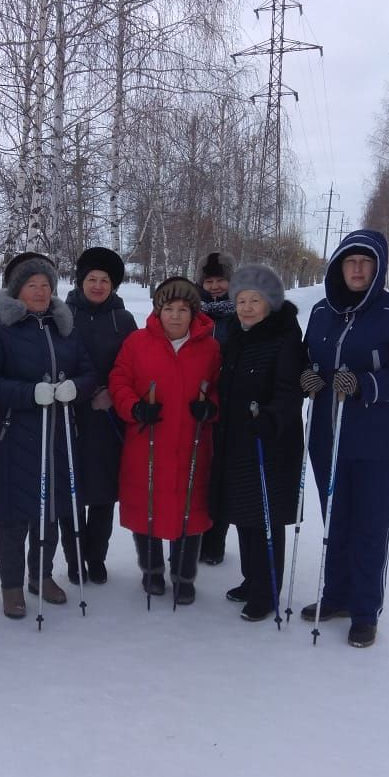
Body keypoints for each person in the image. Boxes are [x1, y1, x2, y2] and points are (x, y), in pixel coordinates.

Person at [299, 229, 389, 647]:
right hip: (327, 436)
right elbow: (306, 359)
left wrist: (365, 384)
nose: (356, 269)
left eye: (365, 262)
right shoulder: (322, 311)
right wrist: (305, 377)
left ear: (378, 267)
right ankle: (334, 596)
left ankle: (364, 610)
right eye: (349, 261)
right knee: (335, 521)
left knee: (370, 528)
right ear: (338, 265)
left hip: (380, 443)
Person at [0, 253, 96, 619]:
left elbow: (89, 372)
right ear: (17, 290)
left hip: (58, 435)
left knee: (50, 510)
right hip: (13, 436)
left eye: (46, 285)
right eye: (32, 285)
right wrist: (29, 394)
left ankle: (41, 575)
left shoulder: (65, 326)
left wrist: (77, 386)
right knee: (13, 514)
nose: (41, 291)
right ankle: (11, 585)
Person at [109, 277, 221, 604]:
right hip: (147, 440)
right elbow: (119, 380)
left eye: (182, 309)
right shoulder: (136, 342)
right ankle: (152, 571)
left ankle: (184, 576)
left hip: (192, 442)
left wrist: (210, 407)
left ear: (193, 313)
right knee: (147, 504)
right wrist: (134, 407)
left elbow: (218, 387)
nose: (175, 315)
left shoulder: (210, 347)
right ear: (158, 311)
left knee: (190, 505)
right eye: (168, 308)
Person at [209, 265, 304, 621]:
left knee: (265, 517)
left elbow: (290, 392)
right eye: (241, 300)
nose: (246, 307)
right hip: (237, 440)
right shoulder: (237, 335)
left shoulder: (284, 338)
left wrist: (271, 417)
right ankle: (251, 580)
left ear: (271, 303)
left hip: (270, 443)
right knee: (243, 515)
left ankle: (267, 592)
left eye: (255, 300)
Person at [60, 247, 137, 584]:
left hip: (109, 417)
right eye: (92, 278)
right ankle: (75, 558)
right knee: (72, 490)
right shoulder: (61, 314)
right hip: (70, 415)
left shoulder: (124, 320)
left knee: (104, 493)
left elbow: (132, 364)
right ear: (80, 281)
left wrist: (113, 393)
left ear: (114, 285)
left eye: (105, 280)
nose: (98, 285)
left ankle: (96, 556)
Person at [194, 251, 237, 565]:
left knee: (222, 471)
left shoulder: (242, 311)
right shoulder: (194, 313)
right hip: (197, 401)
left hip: (230, 401)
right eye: (209, 280)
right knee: (198, 471)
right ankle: (194, 534)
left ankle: (215, 540)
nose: (215, 286)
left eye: (221, 279)